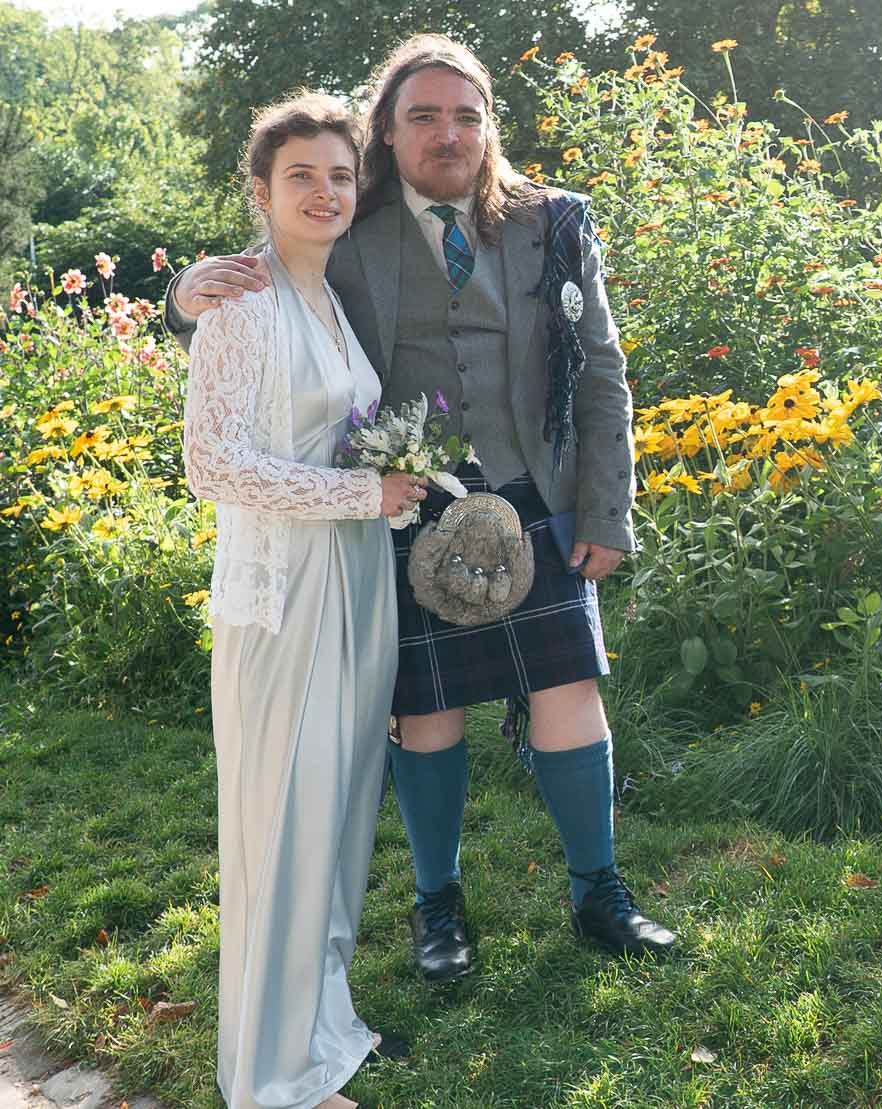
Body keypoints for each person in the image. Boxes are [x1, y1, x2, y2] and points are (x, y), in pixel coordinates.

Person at [169, 34, 676, 980]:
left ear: (489, 128)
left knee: (570, 694)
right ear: (386, 132)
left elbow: (602, 372)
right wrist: (180, 294)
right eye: (424, 116)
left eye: (466, 116)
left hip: (534, 493)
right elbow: (258, 279)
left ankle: (598, 889)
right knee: (427, 713)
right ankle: (437, 905)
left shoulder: (554, 221)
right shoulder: (347, 218)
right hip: (405, 504)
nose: (449, 133)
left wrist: (608, 510)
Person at [183, 92, 424, 1109]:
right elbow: (211, 463)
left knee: (333, 816)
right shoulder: (240, 300)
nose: (324, 192)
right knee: (283, 821)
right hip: (282, 593)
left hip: (354, 578)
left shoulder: (328, 295)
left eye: (339, 174)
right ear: (259, 191)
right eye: (300, 176)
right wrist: (358, 493)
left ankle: (316, 1034)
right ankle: (271, 1078)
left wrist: (382, 492)